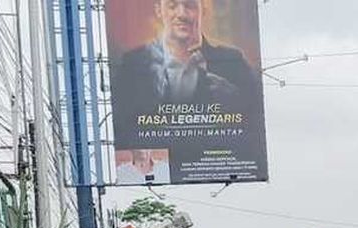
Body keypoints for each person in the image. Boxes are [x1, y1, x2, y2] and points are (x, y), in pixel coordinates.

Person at [111, 0, 259, 146]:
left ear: (204, 10)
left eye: (189, 5)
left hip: (214, 162)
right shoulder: (133, 64)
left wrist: (236, 100)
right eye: (172, 6)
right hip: (160, 166)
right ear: (159, 11)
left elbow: (256, 121)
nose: (181, 14)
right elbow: (121, 127)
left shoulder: (232, 62)